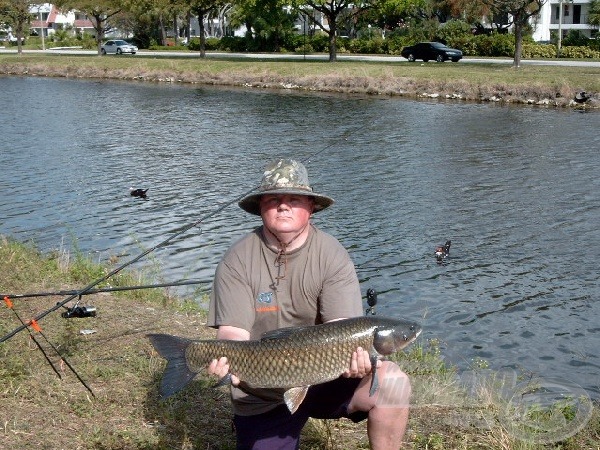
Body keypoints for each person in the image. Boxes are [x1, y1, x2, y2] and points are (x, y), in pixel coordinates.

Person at [207, 158, 411, 450]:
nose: (283, 206)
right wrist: (225, 361)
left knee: (393, 382)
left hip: (326, 377)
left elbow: (341, 326)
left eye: (294, 199)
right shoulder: (237, 259)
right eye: (274, 199)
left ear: (311, 207)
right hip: (262, 390)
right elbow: (232, 333)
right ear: (261, 207)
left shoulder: (332, 254)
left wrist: (354, 359)